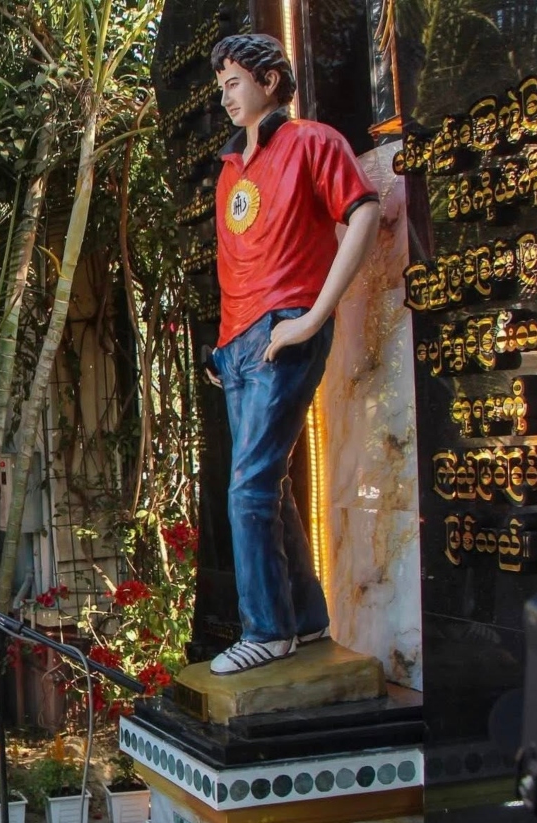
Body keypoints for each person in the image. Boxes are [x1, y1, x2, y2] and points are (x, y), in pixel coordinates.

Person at [205, 34, 381, 675]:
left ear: (272, 80)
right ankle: (304, 621)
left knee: (248, 490)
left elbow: (362, 213)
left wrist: (312, 317)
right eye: (221, 85)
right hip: (240, 342)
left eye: (234, 82)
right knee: (268, 486)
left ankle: (266, 629)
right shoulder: (230, 170)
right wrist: (224, 348)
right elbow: (235, 265)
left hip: (285, 329)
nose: (225, 95)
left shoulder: (314, 141)